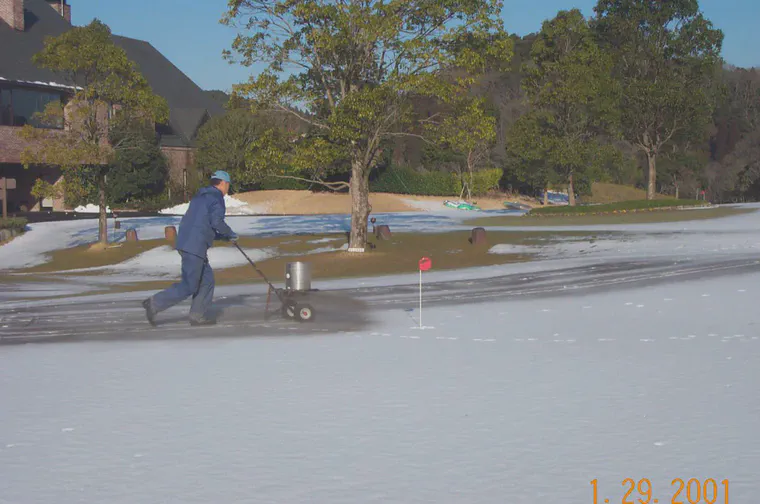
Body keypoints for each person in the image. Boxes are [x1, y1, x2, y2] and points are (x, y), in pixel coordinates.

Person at [142, 170, 238, 326]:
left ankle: (197, 315)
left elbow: (202, 225)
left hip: (188, 241)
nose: (228, 188)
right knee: (189, 284)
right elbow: (216, 223)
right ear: (223, 183)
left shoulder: (201, 196)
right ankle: (154, 303)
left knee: (207, 281)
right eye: (228, 184)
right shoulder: (216, 198)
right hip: (195, 246)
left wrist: (223, 236)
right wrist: (231, 233)